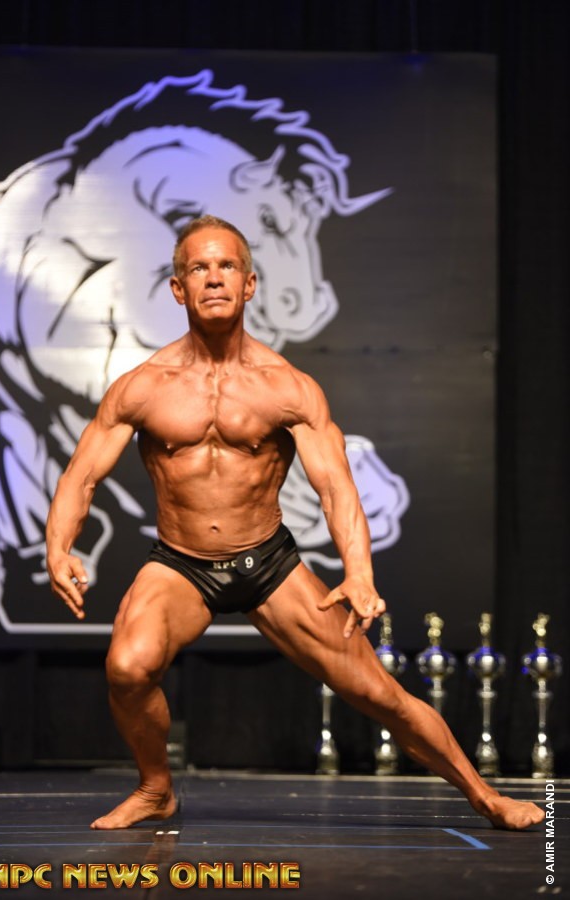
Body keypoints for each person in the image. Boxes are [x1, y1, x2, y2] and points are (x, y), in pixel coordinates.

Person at [46, 215, 543, 832]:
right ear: (178, 289)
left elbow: (335, 487)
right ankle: (156, 789)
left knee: (378, 694)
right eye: (198, 268)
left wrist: (359, 574)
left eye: (227, 266)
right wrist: (59, 546)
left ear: (249, 283)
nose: (213, 278)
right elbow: (81, 476)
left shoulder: (288, 388)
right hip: (181, 564)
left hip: (268, 563)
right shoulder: (141, 387)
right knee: (127, 667)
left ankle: (484, 796)